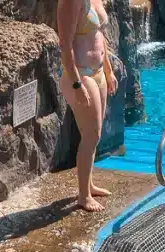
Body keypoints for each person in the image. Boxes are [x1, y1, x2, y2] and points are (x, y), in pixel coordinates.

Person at [57, 0, 118, 212]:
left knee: (94, 134)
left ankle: (89, 184)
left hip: (99, 72)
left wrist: (109, 71)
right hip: (81, 75)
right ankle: (83, 196)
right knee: (91, 134)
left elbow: (100, 36)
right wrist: (76, 83)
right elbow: (65, 44)